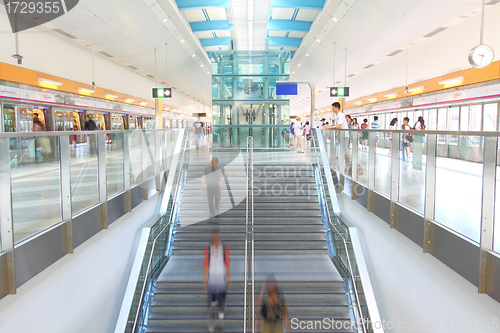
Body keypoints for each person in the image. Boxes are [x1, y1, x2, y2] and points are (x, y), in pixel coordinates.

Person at [204, 227, 231, 332]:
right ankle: (214, 307)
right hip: (211, 277)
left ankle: (221, 311)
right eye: (213, 233)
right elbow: (206, 263)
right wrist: (205, 279)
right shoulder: (208, 247)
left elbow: (227, 263)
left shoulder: (224, 247)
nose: (215, 235)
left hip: (221, 276)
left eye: (216, 233)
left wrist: (229, 278)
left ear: (219, 234)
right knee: (212, 298)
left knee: (223, 296)